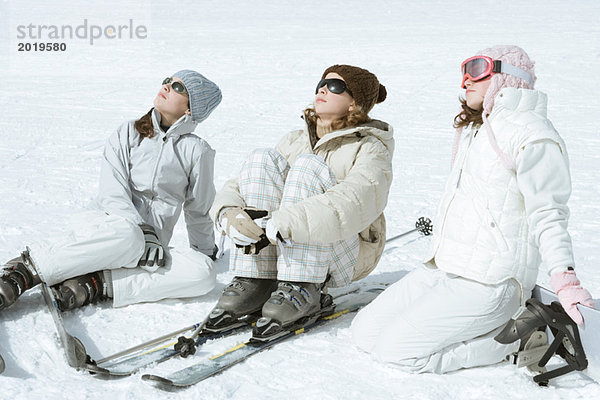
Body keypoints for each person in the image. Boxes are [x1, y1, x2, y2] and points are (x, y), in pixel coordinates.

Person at [351, 45, 595, 374]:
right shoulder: (477, 129)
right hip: (444, 268)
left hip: (490, 282)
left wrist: (565, 280)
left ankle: (519, 339)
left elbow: (549, 214)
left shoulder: (533, 135)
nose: (466, 79)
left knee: (395, 352)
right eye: (463, 70)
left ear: (509, 77)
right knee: (364, 333)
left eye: (478, 69)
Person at [0, 70, 222, 311]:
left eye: (178, 87)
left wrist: (205, 252)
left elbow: (198, 209)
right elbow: (111, 192)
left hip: (148, 249)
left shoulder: (197, 151)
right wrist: (143, 230)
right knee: (129, 236)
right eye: (167, 81)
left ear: (191, 109)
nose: (167, 86)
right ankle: (25, 270)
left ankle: (95, 284)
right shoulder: (129, 132)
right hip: (106, 228)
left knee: (203, 272)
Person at [206, 65, 393, 333]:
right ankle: (257, 278)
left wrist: (285, 221)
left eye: (336, 86)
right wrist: (229, 211)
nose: (323, 89)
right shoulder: (295, 140)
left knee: (307, 167)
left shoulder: (370, 148)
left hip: (349, 249)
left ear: (355, 103)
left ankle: (303, 286)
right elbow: (241, 184)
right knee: (262, 159)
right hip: (287, 241)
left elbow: (353, 203)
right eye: (321, 83)